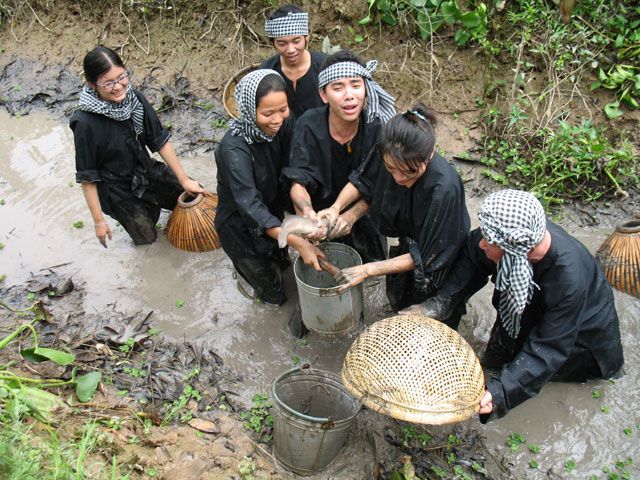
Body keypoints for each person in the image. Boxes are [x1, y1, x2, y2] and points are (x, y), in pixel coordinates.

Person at [410, 189, 624, 422]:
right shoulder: (516, 236)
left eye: (489, 241)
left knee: (530, 375)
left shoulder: (569, 280)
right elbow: (473, 252)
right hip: (528, 314)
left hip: (580, 344)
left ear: (515, 251)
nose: (482, 243)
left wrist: (501, 392)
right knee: (498, 359)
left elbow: (549, 349)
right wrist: (440, 304)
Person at [325, 107, 471, 325]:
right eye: (391, 169)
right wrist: (337, 209)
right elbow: (365, 182)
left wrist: (368, 269)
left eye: (409, 172)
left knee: (431, 318)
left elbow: (427, 256)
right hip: (410, 242)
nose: (398, 178)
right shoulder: (389, 149)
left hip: (441, 257)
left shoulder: (443, 190)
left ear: (429, 155)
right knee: (401, 301)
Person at [70, 46, 203, 247]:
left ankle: (152, 205)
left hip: (145, 171)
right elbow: (88, 178)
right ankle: (143, 213)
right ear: (92, 85)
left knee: (193, 194)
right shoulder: (85, 122)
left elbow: (160, 141)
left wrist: (184, 180)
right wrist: (99, 221)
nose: (117, 87)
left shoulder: (134, 99)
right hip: (116, 190)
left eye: (121, 77)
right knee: (148, 238)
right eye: (108, 83)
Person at [215, 69, 324, 306]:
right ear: (247, 110)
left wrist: (303, 215)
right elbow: (250, 207)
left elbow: (293, 166)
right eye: (267, 113)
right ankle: (251, 281)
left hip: (272, 213)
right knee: (274, 296)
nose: (277, 120)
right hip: (240, 228)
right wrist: (299, 242)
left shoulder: (285, 124)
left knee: (283, 263)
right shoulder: (233, 149)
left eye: (282, 109)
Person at [282, 49, 396, 264]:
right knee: (322, 263)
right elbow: (298, 181)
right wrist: (307, 211)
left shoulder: (377, 128)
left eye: (355, 84)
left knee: (371, 267)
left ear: (366, 88)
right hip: (321, 215)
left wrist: (350, 216)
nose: (349, 95)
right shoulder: (307, 125)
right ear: (324, 95)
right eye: (338, 87)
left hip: (364, 212)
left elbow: (380, 187)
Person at [260, 4, 327, 118]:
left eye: (296, 41)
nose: (291, 50)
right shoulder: (266, 71)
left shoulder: (326, 66)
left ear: (306, 38)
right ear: (273, 44)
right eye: (282, 43)